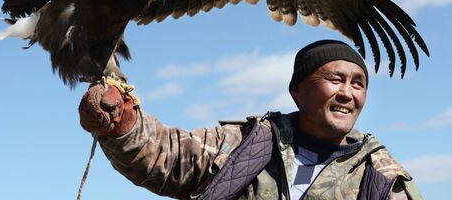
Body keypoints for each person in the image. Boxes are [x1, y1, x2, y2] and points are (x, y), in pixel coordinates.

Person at [78, 40, 423, 200]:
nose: (348, 93)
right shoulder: (250, 145)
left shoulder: (381, 180)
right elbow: (167, 156)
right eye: (335, 79)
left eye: (358, 83)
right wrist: (122, 122)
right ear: (298, 91)